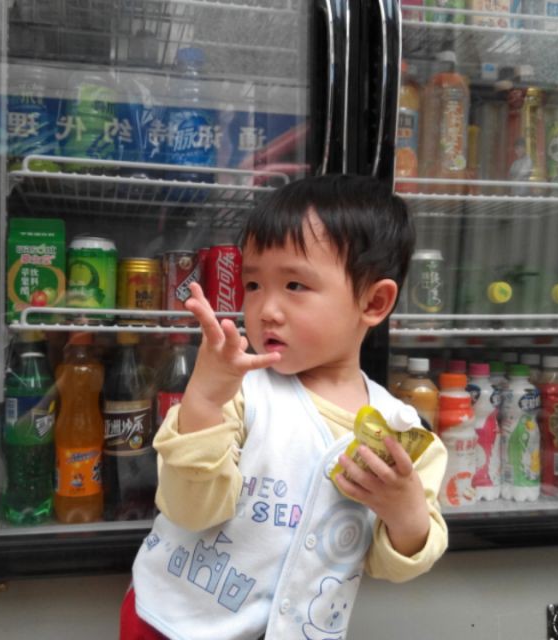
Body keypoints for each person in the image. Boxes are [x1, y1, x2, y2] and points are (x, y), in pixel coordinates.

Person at [121, 174, 448, 640]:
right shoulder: (240, 392)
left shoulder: (402, 433)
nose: (266, 309)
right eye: (253, 284)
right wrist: (204, 401)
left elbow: (391, 563)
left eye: (294, 284)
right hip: (172, 623)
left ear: (374, 301)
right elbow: (191, 510)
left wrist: (404, 511)